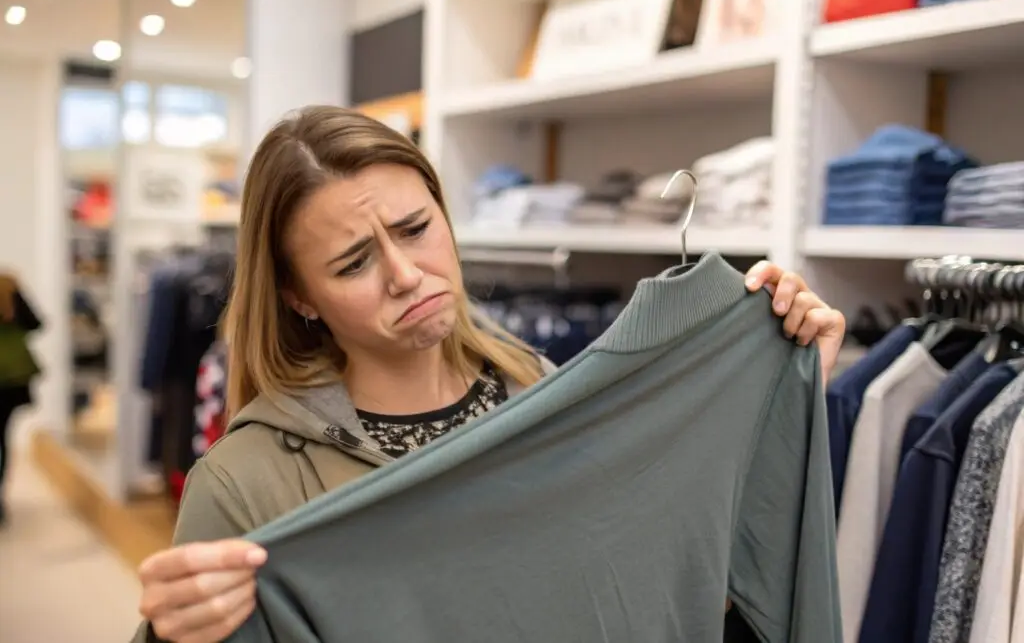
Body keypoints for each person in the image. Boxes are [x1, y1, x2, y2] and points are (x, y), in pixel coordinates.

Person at [134, 105, 846, 643]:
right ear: (299, 297)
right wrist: (169, 633)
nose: (405, 274)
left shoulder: (549, 395)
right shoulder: (246, 484)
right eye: (354, 263)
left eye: (416, 228)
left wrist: (776, 393)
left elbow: (681, 592)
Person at [0, 272, 43, 526]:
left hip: (9, 381)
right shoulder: (10, 291)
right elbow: (35, 324)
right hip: (11, 380)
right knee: (3, 438)